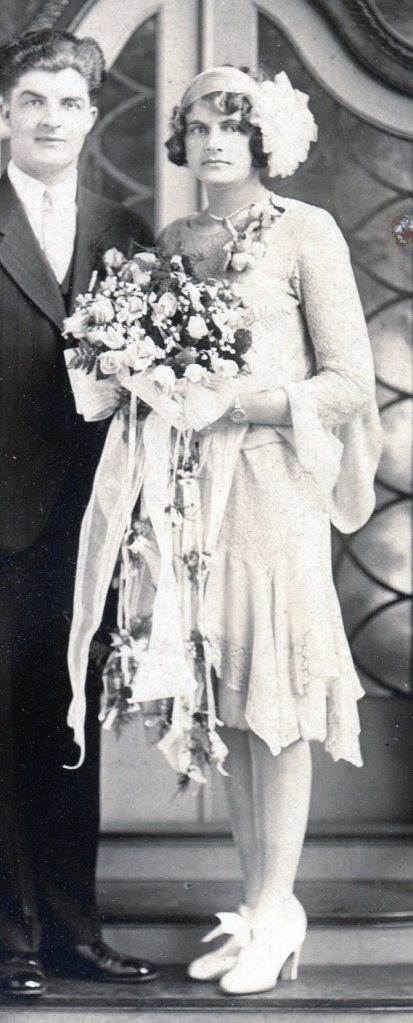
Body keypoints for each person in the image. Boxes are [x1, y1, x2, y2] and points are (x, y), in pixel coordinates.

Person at [155, 66, 382, 994]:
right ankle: (255, 906)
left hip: (275, 492)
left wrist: (247, 405)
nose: (215, 143)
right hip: (193, 494)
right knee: (230, 700)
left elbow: (349, 382)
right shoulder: (177, 239)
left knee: (277, 701)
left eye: (233, 129)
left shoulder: (306, 233)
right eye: (200, 126)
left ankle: (280, 904)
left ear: (265, 141)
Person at [0, 29, 157, 996]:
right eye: (34, 101)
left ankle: (70, 931)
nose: (52, 118)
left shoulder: (119, 227)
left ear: (91, 120)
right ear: (4, 115)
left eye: (69, 103)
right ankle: (9, 941)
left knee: (66, 722)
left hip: (86, 519)